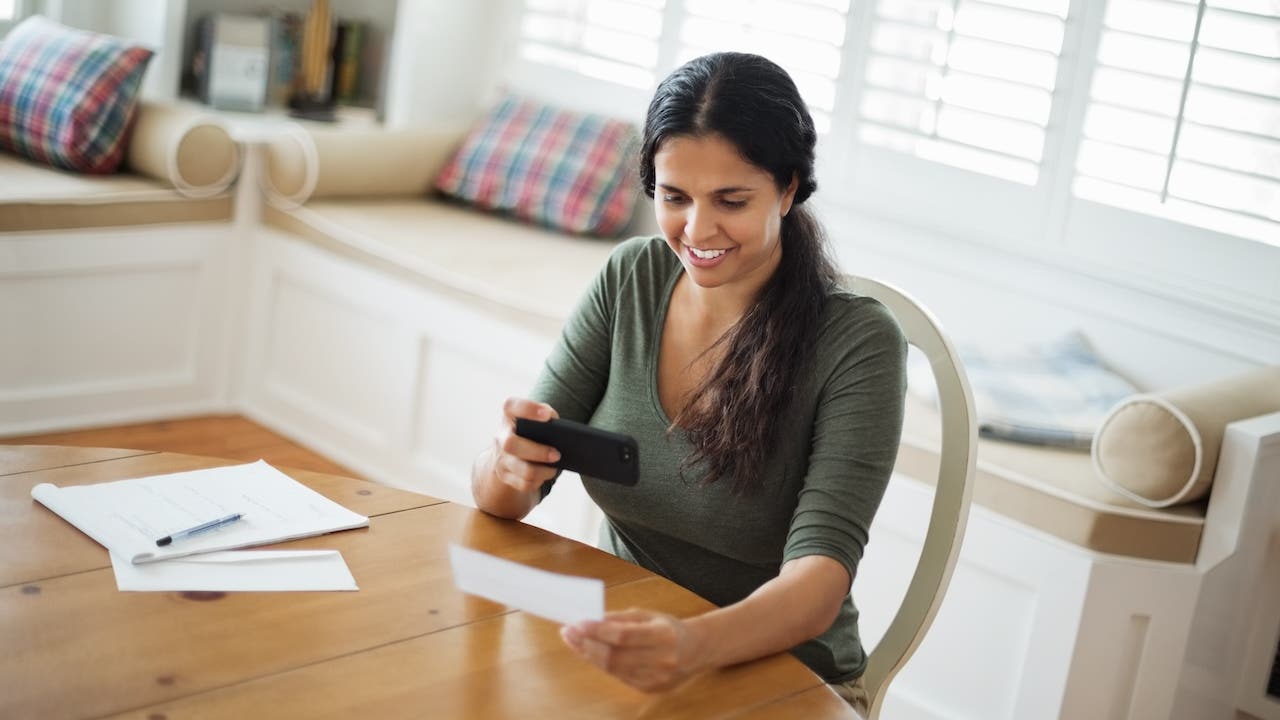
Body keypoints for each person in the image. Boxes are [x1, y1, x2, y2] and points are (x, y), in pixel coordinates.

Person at [469, 51, 906, 709]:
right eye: (674, 198)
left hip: (781, 674)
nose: (697, 230)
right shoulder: (632, 278)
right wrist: (509, 463)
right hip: (625, 645)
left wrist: (693, 645)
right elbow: (501, 501)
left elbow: (819, 583)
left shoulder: (858, 341)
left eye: (731, 200)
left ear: (789, 189)